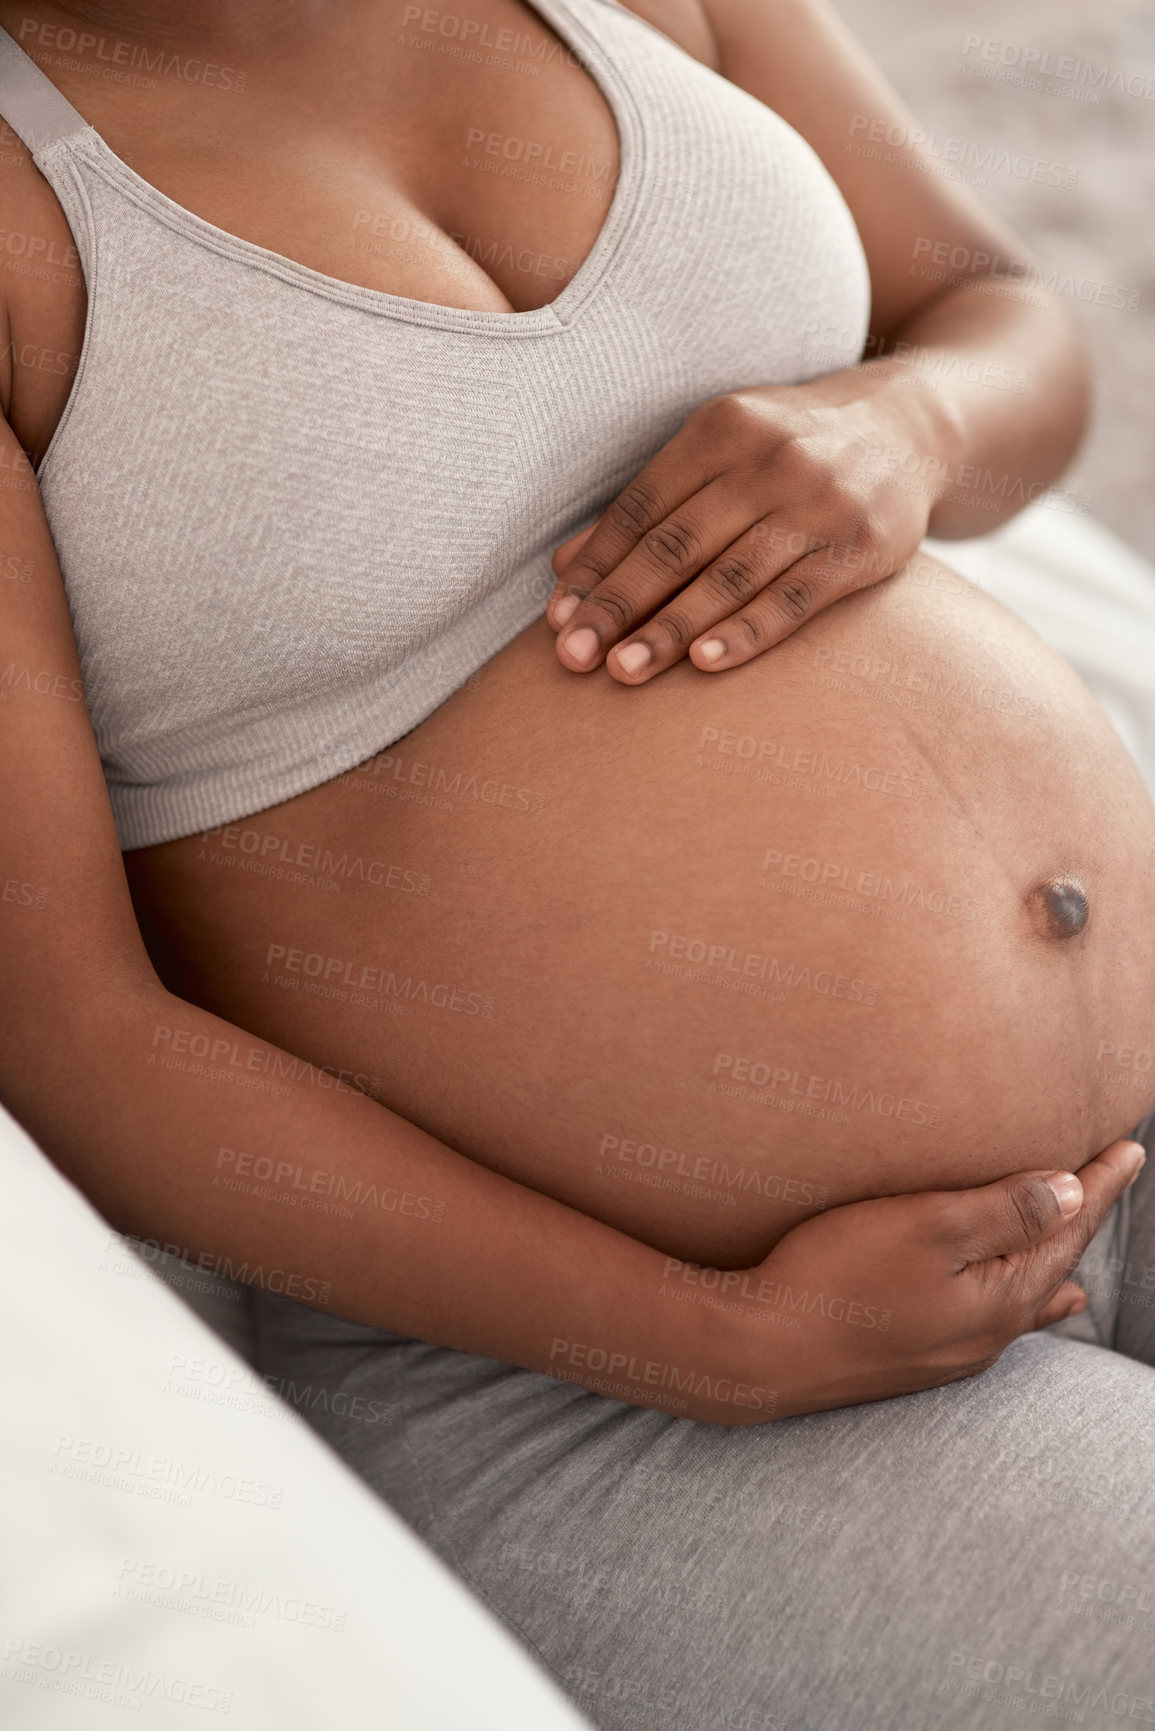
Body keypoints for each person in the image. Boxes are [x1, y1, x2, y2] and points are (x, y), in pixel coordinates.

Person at [1, 0, 1154, 1722]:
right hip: (617, 1384)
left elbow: (998, 314)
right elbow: (71, 1037)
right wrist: (709, 1340)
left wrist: (910, 423)